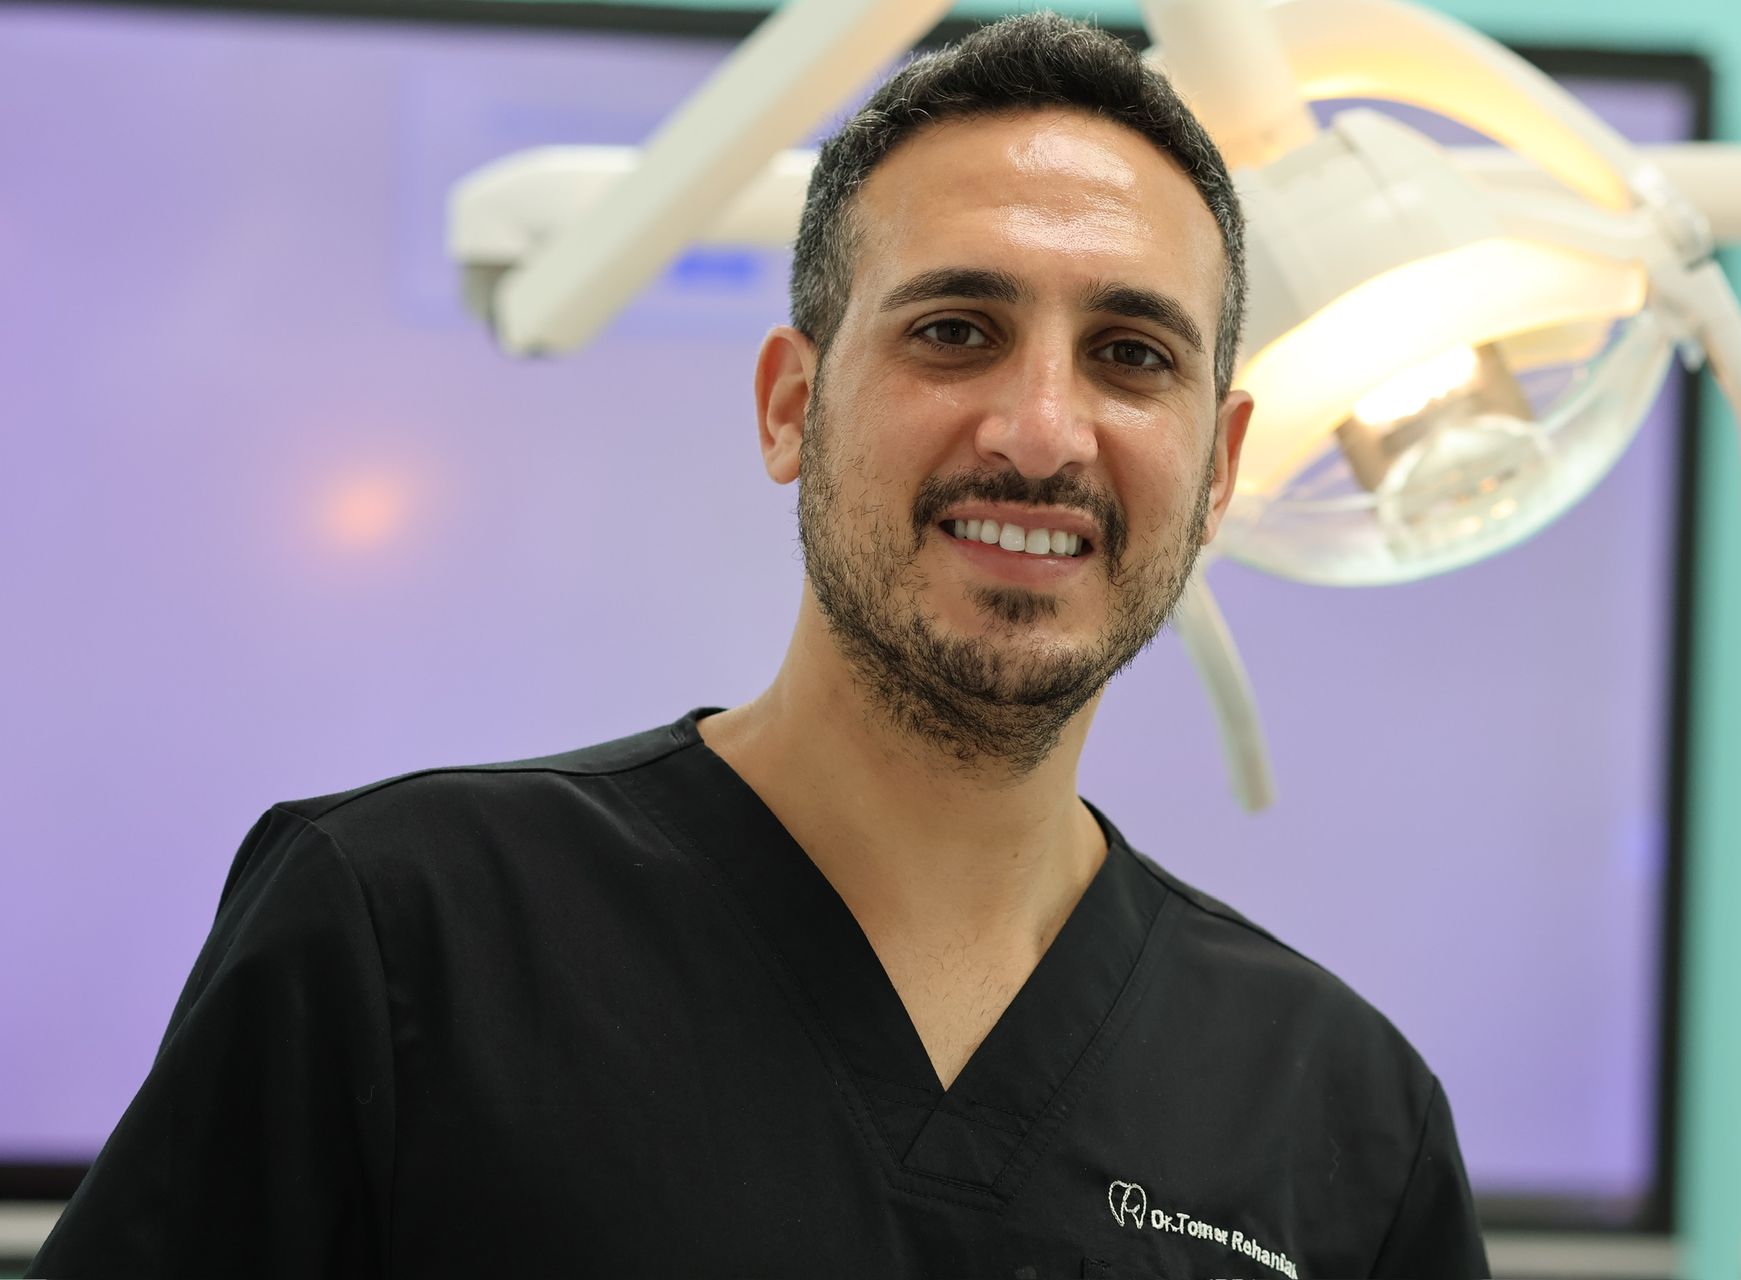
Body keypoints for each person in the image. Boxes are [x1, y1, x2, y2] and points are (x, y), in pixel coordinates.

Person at [33, 13, 1487, 1279]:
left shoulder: (1345, 1119)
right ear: (792, 405)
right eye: (956, 330)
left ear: (1220, 468)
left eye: (1131, 356)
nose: (1043, 431)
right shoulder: (408, 934)